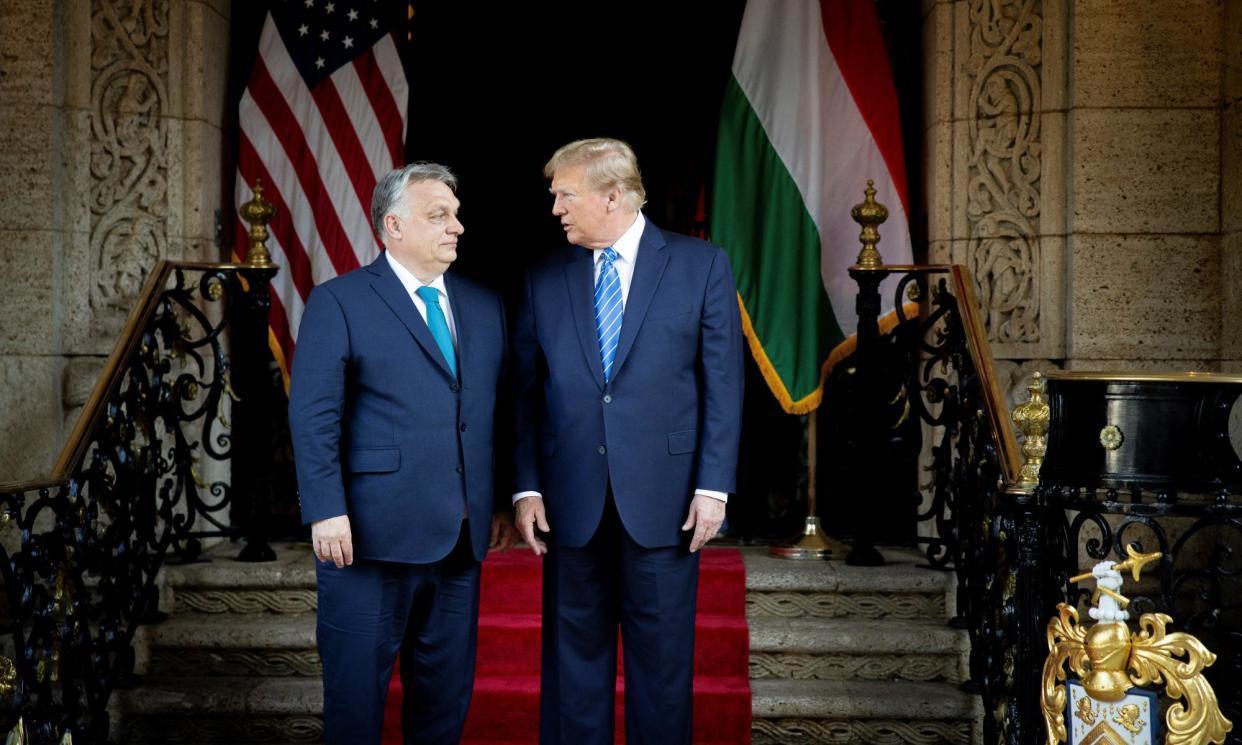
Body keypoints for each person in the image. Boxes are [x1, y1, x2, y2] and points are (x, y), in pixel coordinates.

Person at [511, 138, 744, 744]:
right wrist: (526, 485)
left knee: (664, 672)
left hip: (667, 504)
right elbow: (525, 395)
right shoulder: (544, 276)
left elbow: (722, 385)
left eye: (565, 195)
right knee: (571, 673)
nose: (556, 207)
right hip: (569, 506)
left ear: (612, 195)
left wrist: (713, 486)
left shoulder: (702, 266)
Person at [288, 162, 518, 745]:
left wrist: (495, 501)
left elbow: (495, 413)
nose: (457, 227)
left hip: (460, 542)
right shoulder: (339, 301)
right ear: (393, 226)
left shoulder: (484, 306)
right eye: (439, 215)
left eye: (457, 215)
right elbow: (314, 416)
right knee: (356, 705)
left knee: (443, 707)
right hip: (366, 540)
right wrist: (324, 508)